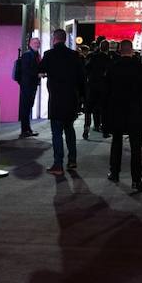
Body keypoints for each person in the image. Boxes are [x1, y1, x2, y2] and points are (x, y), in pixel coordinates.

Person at [105, 39, 142, 192]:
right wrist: (138, 98)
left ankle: (114, 172)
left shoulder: (113, 67)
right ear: (132, 50)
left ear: (120, 50)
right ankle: (137, 180)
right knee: (136, 147)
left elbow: (106, 90)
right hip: (135, 111)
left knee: (117, 142)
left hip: (117, 110)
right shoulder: (140, 67)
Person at [39, 29, 86, 175]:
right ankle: (72, 160)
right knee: (69, 130)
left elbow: (40, 71)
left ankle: (57, 164)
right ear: (65, 39)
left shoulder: (49, 55)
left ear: (54, 39)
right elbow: (81, 79)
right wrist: (82, 98)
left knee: (57, 133)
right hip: (71, 99)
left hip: (56, 100)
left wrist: (46, 74)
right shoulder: (74, 55)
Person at [13, 34, 42, 138]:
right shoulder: (28, 54)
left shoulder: (35, 54)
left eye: (38, 43)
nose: (37, 44)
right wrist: (37, 74)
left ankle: (27, 129)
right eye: (35, 43)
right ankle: (25, 130)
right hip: (27, 85)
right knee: (26, 107)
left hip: (31, 84)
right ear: (30, 44)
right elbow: (26, 70)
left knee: (28, 107)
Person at [83, 40, 112, 139]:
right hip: (103, 87)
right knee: (103, 109)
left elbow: (86, 69)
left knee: (88, 109)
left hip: (92, 86)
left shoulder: (93, 57)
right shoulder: (108, 59)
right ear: (108, 48)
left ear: (99, 47)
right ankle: (104, 131)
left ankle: (86, 128)